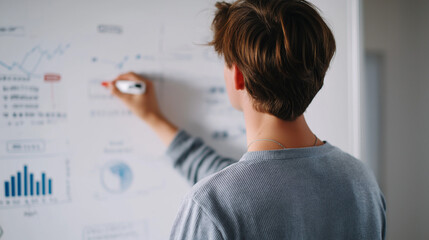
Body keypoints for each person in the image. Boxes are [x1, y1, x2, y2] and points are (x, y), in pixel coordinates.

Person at [104, 0, 386, 239]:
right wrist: (154, 118)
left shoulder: (212, 206)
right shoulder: (362, 182)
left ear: (237, 75)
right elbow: (239, 180)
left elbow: (238, 191)